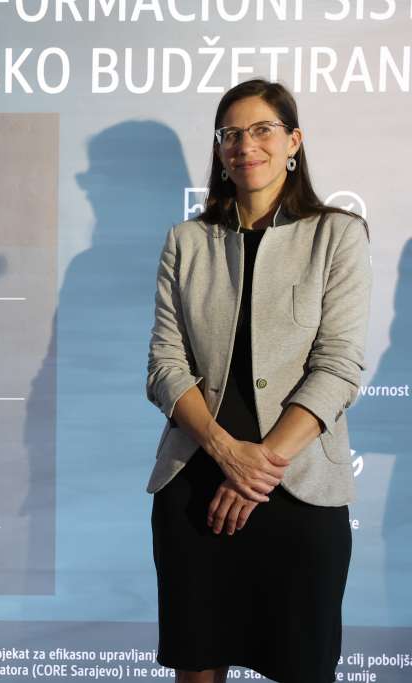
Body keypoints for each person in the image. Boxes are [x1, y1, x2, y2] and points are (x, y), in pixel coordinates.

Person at [146, 79, 372, 682]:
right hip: (196, 486)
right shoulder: (186, 242)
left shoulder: (337, 234)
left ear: (293, 141)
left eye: (262, 130)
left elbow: (339, 365)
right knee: (197, 664)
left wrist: (258, 470)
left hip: (298, 490)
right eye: (231, 134)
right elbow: (165, 366)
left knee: (302, 666)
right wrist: (226, 452)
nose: (245, 145)